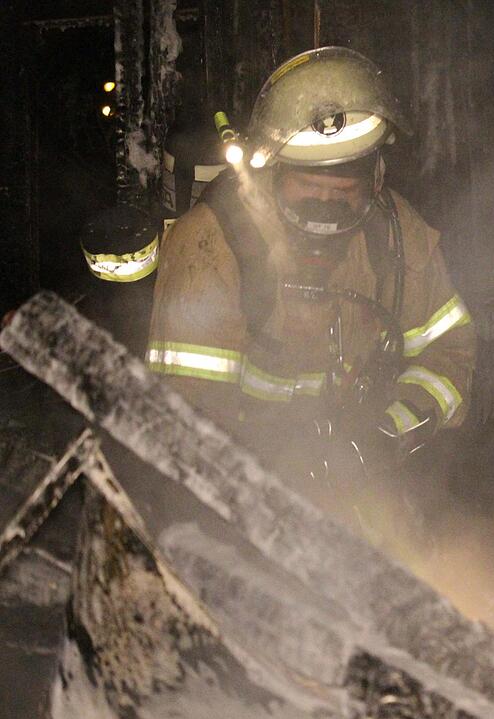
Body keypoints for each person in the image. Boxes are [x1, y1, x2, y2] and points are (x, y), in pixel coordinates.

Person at [145, 47, 476, 539]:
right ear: (271, 173)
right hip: (239, 498)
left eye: (346, 188)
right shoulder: (210, 247)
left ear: (377, 176)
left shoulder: (401, 240)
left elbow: (450, 355)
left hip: (362, 486)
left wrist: (385, 436)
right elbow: (184, 423)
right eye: (308, 185)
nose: (328, 205)